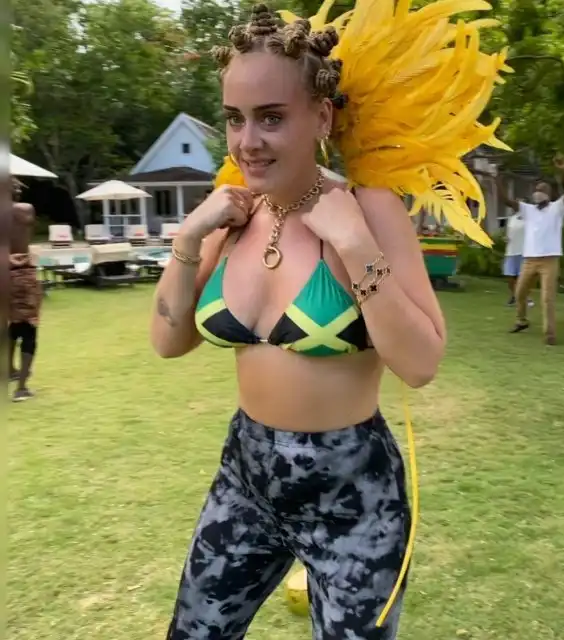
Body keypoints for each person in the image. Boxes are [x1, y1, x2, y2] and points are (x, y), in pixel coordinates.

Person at [151, 3, 507, 638]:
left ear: (322, 116)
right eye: (234, 118)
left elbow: (421, 364)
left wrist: (356, 245)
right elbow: (167, 341)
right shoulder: (230, 213)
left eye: (271, 117)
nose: (248, 141)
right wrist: (189, 236)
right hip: (246, 480)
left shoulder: (370, 208)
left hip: (355, 498)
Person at [495, 155, 564, 345]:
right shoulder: (528, 210)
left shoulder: (557, 208)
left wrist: (563, 171)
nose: (538, 193)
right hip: (529, 260)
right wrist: (497, 180)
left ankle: (550, 335)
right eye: (536, 190)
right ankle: (521, 320)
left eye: (542, 190)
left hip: (549, 260)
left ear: (549, 193)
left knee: (547, 298)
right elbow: (506, 201)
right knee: (519, 293)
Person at [9, 178, 42, 402]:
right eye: (15, 185)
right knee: (29, 328)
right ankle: (21, 388)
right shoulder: (24, 209)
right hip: (21, 275)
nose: (19, 188)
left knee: (13, 325)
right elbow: (29, 223)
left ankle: (9, 370)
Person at [502, 212, 534, 308]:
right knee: (509, 276)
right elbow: (508, 233)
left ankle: (526, 297)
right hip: (511, 252)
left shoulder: (529, 217)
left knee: (523, 277)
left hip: (523, 252)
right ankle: (514, 296)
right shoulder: (511, 218)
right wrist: (506, 238)